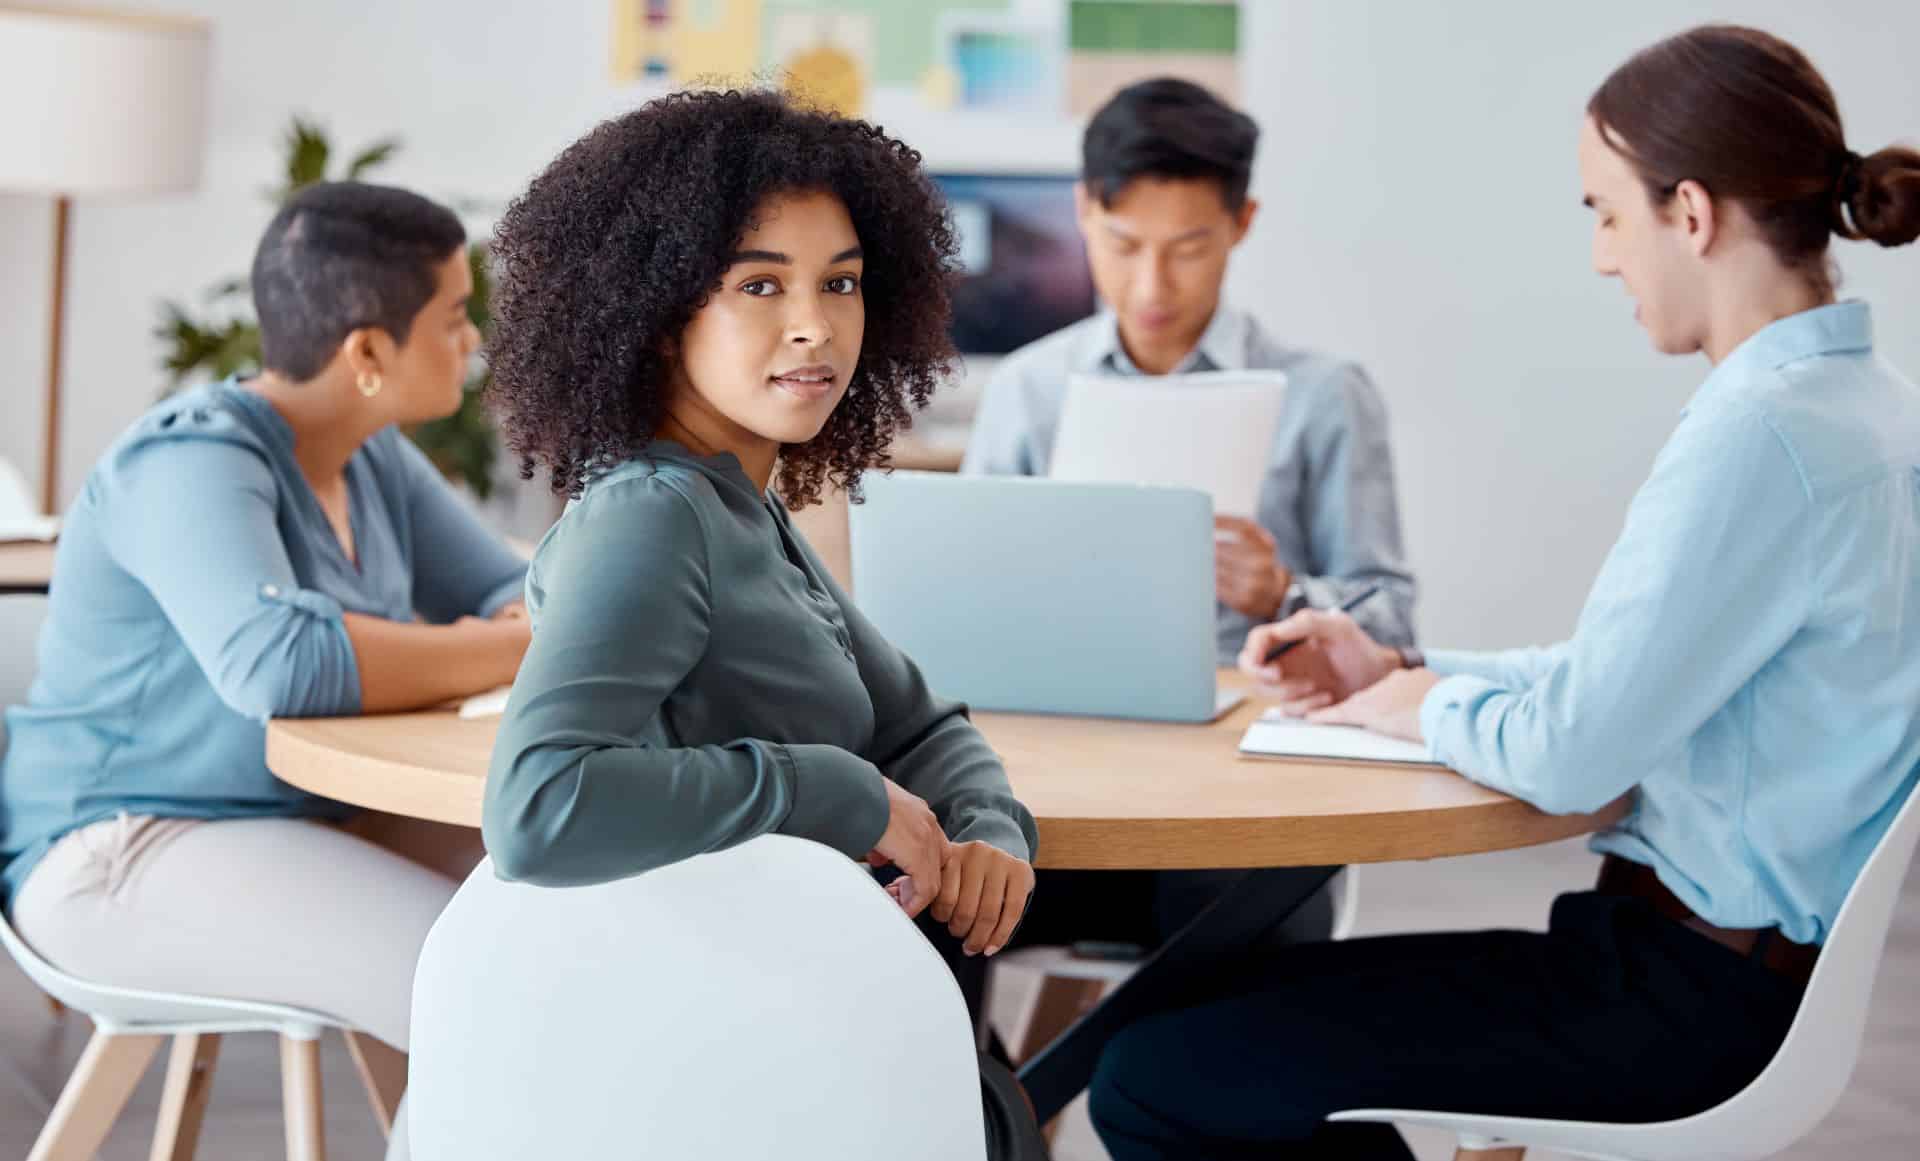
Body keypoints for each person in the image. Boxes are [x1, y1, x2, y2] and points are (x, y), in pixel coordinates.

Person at [1087, 24, 1920, 1160]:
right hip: (1715, 975)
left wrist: (1416, 705)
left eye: (1604, 213)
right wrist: (1402, 675)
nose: (1602, 257)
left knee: (1151, 1077)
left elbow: (1574, 751)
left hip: (1677, 1006)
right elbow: (1616, 685)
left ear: (1691, 213)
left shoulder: (1763, 436)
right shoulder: (1868, 407)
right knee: (1189, 1028)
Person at [480, 88, 1043, 1155]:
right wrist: (830, 789)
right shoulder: (651, 517)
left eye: (841, 282)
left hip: (793, 1026)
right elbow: (539, 806)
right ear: (653, 317)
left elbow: (922, 725)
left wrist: (985, 827)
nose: (815, 324)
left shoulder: (740, 507)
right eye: (759, 284)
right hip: (700, 1071)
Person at [0, 182, 532, 1159]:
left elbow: (522, 586)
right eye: (456, 319)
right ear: (367, 351)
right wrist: (503, 644)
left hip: (293, 814)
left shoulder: (370, 459)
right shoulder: (189, 462)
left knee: (569, 905)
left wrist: (504, 626)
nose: (471, 345)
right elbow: (281, 667)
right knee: (492, 982)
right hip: (125, 845)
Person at [962, 77, 1416, 663]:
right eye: (1125, 246)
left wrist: (1285, 594)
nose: (1153, 286)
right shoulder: (1027, 391)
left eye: (1189, 250)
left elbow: (1395, 624)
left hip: (1254, 723)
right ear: (1084, 211)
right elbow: (970, 598)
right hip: (1068, 710)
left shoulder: (1325, 395)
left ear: (1242, 223)